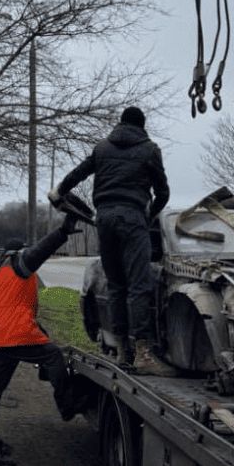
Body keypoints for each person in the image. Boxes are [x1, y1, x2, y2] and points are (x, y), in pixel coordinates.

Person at [48, 106, 175, 376]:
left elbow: (76, 175)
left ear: (120, 123)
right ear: (142, 125)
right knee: (138, 286)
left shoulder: (102, 148)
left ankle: (120, 351)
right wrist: (149, 214)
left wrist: (59, 192)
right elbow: (163, 192)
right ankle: (143, 352)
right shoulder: (149, 149)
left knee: (116, 285)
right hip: (132, 218)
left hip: (104, 220)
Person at [0, 216, 89, 455]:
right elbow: (42, 250)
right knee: (53, 355)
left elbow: (20, 307)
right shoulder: (18, 264)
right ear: (18, 251)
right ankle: (66, 405)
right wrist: (62, 232)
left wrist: (40, 331)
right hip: (15, 333)